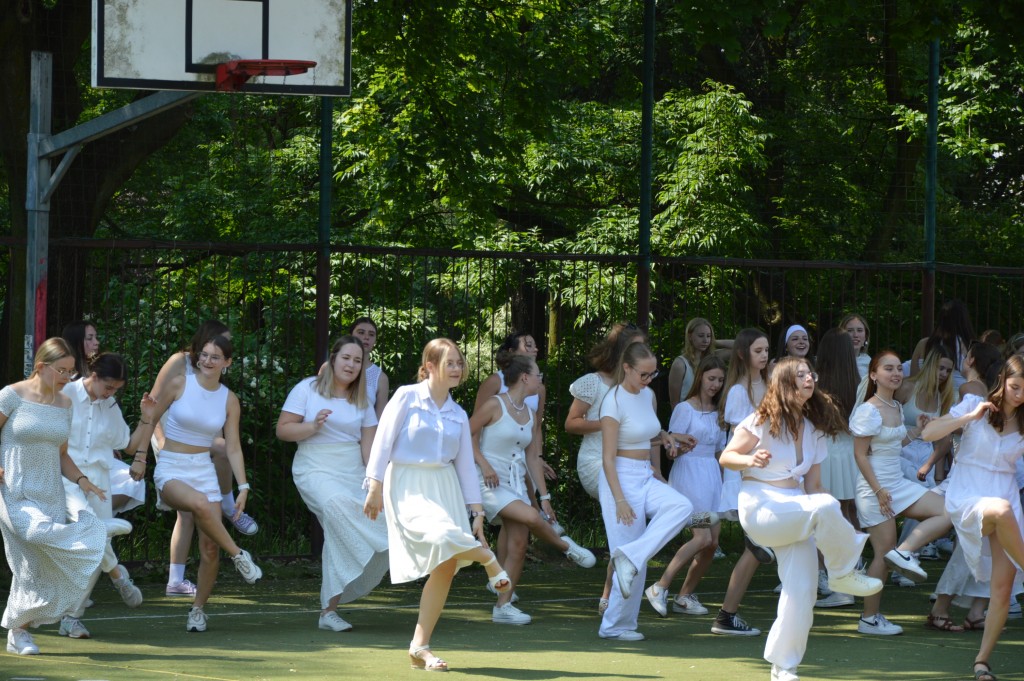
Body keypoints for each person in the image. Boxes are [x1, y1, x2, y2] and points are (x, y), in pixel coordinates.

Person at [719, 356, 883, 681]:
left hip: (796, 508)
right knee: (822, 506)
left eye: (811, 373)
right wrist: (750, 458)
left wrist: (833, 517)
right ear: (784, 382)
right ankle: (842, 572)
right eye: (801, 374)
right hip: (761, 505)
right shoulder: (760, 420)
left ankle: (783, 668)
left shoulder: (812, 430)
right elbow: (727, 457)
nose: (809, 378)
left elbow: (815, 487)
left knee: (803, 593)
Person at [363, 338, 510, 672]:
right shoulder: (405, 397)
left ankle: (419, 647)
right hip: (406, 485)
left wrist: (477, 510)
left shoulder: (458, 413)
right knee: (445, 539)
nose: (457, 369)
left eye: (460, 363)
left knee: (445, 565)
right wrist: (373, 484)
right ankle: (489, 560)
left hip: (444, 488)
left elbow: (463, 466)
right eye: (450, 363)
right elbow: (383, 441)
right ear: (429, 366)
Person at [1, 338, 130, 655]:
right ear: (41, 367)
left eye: (72, 372)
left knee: (35, 568)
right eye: (62, 370)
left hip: (50, 492)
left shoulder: (64, 405)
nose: (67, 378)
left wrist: (84, 481)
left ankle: (19, 632)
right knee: (34, 532)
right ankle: (92, 533)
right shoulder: (11, 396)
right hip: (14, 490)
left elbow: (62, 454)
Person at [145, 334, 263, 632]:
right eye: (204, 355)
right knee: (197, 506)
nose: (207, 361)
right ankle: (239, 555)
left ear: (227, 363)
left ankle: (197, 610)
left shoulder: (229, 399)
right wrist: (138, 456)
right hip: (172, 464)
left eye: (215, 356)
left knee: (210, 549)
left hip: (203, 469)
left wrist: (244, 486)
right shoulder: (179, 381)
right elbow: (149, 418)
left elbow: (232, 447)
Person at [598, 342, 711, 641]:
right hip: (618, 478)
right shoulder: (613, 401)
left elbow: (645, 436)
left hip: (644, 475)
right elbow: (608, 457)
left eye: (653, 374)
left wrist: (668, 437)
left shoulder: (647, 395)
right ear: (627, 368)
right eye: (644, 374)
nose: (649, 380)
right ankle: (615, 626)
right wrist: (620, 499)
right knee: (635, 560)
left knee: (682, 507)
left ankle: (629, 558)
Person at [471, 354, 595, 625]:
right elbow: (466, 434)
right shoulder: (494, 404)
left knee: (518, 544)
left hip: (515, 485)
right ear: (525, 377)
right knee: (530, 517)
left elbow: (531, 459)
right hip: (488, 482)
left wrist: (544, 497)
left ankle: (503, 607)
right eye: (539, 375)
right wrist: (484, 464)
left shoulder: (528, 414)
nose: (541, 380)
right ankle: (565, 547)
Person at [276, 335, 389, 632]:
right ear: (333, 360)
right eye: (347, 358)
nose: (351, 364)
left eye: (358, 360)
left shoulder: (362, 400)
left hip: (352, 471)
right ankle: (329, 609)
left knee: (376, 519)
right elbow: (283, 430)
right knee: (337, 506)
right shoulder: (306, 389)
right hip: (314, 468)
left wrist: (378, 484)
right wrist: (313, 425)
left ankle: (329, 611)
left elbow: (369, 449)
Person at [922, 355, 1024, 681]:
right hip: (968, 493)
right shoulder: (975, 403)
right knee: (1001, 509)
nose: (1019, 394)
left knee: (1003, 589)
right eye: (1015, 386)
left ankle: (982, 663)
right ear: (1002, 381)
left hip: (1004, 495)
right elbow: (929, 434)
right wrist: (968, 416)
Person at [851, 350, 953, 635]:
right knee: (883, 554)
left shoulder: (895, 405)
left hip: (897, 484)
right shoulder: (868, 409)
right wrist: (879, 489)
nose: (896, 373)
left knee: (947, 511)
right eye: (888, 369)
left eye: (898, 368)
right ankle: (869, 619)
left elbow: (893, 443)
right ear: (873, 375)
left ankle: (906, 551)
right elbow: (860, 455)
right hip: (874, 488)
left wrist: (916, 430)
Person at [60, 353, 157, 638]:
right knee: (93, 530)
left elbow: (128, 445)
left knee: (94, 548)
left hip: (100, 481)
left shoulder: (110, 404)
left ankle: (72, 617)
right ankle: (117, 574)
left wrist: (147, 418)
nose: (110, 392)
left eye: (116, 388)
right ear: (93, 373)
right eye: (108, 386)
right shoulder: (65, 394)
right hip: (68, 477)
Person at [565, 322, 647, 613]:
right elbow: (571, 423)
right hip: (596, 463)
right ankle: (610, 597)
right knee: (628, 523)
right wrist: (609, 422)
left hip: (627, 464)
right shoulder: (593, 382)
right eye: (636, 347)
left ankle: (610, 595)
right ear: (621, 351)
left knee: (630, 527)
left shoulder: (639, 386)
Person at [644, 355, 727, 617]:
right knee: (701, 537)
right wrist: (680, 448)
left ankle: (685, 596)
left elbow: (719, 453)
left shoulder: (719, 412)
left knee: (712, 543)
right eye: (711, 378)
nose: (715, 384)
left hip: (712, 478)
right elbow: (670, 449)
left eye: (720, 380)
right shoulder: (684, 409)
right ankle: (660, 586)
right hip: (690, 476)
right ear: (700, 376)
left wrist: (726, 486)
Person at [715, 327, 772, 636]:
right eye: (758, 351)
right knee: (757, 546)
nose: (764, 356)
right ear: (743, 354)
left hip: (770, 473)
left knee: (762, 547)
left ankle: (727, 615)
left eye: (766, 350)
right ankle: (726, 615)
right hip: (747, 473)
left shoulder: (770, 383)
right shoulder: (739, 391)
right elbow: (739, 442)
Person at [909, 299, 977, 391]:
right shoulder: (970, 347)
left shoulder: (924, 344)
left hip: (925, 398)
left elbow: (913, 377)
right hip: (959, 398)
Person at [668, 318, 716, 409]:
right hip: (688, 417)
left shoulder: (712, 358)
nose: (705, 340)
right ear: (690, 336)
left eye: (709, 336)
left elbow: (739, 347)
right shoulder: (680, 364)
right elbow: (674, 404)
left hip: (710, 415)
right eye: (701, 336)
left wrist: (714, 342)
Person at [350, 317, 390, 419]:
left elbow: (380, 420)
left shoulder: (381, 378)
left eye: (371, 334)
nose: (366, 337)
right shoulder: (329, 367)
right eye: (361, 332)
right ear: (350, 335)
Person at [839, 314, 871, 379]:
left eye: (859, 330)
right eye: (850, 330)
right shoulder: (830, 361)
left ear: (866, 336)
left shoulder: (871, 364)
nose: (855, 335)